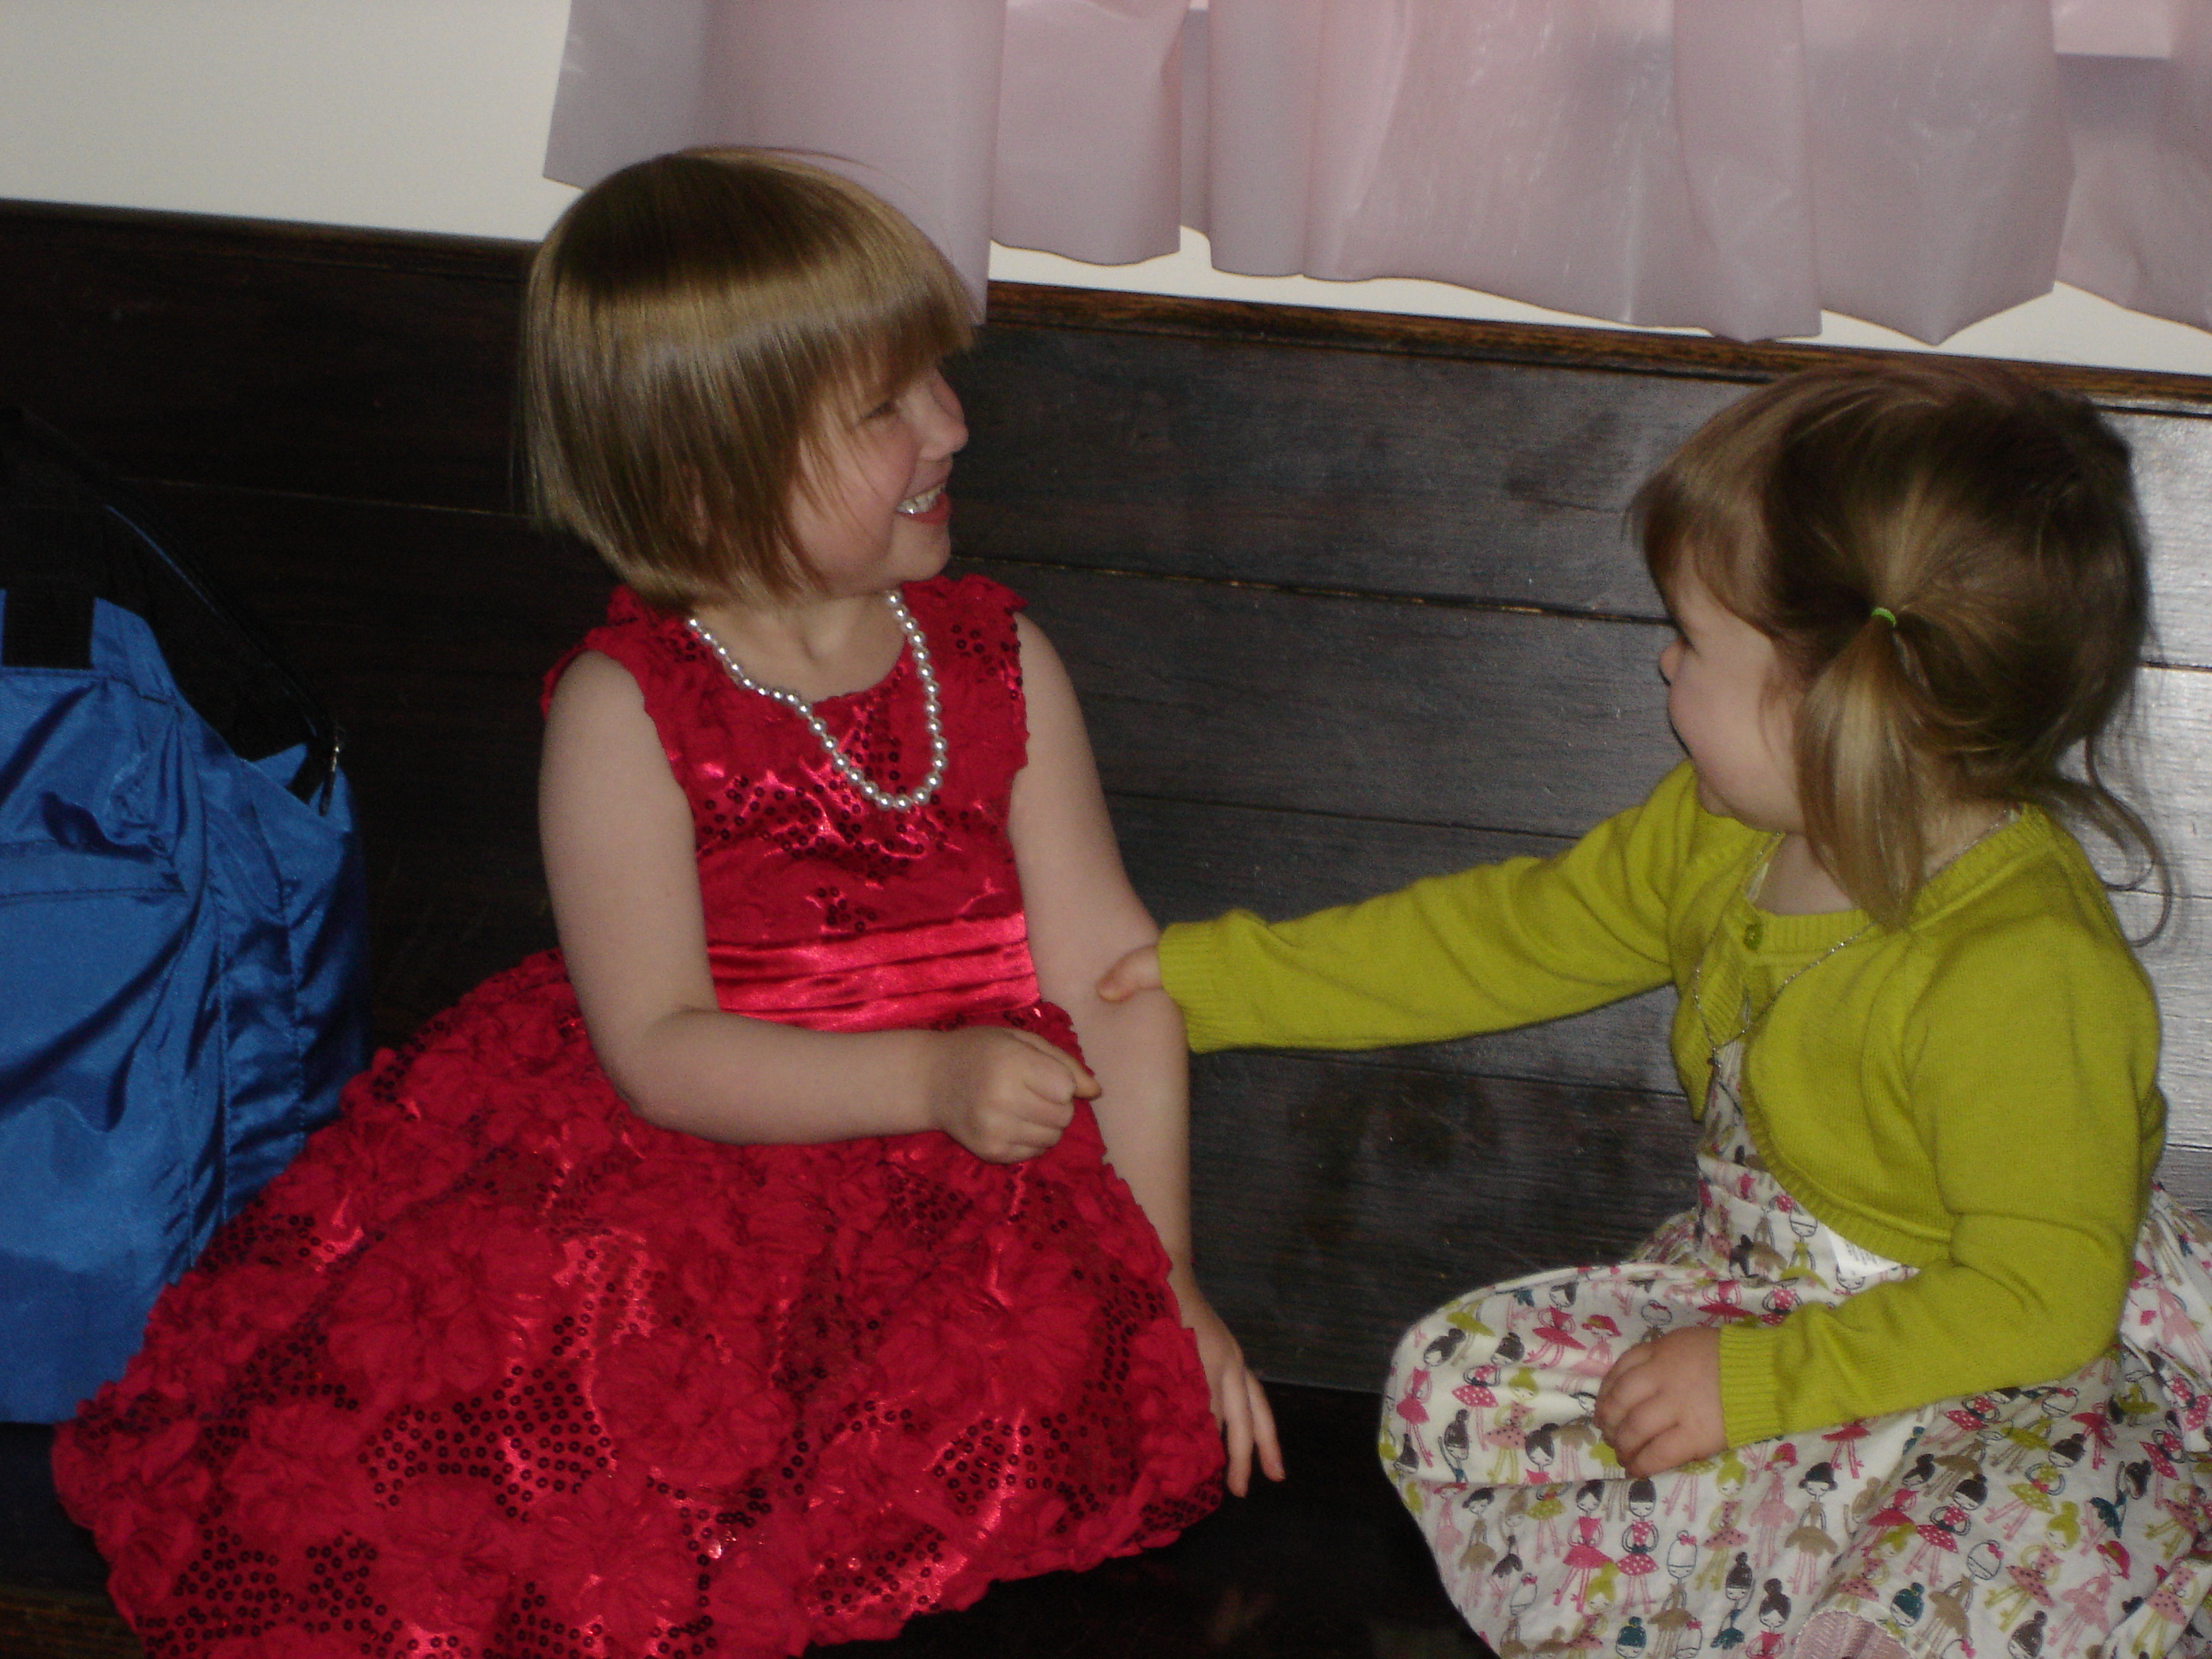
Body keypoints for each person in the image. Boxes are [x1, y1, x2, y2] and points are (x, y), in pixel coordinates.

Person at [54, 148, 1280, 1659]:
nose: (952, 424)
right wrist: (927, 1077)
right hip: (707, 1174)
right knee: (554, 1459)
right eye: (885, 407)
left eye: (938, 379)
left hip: (980, 1224)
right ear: (707, 474)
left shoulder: (995, 661)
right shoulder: (629, 706)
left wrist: (1165, 1282)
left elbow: (1115, 976)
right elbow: (656, 1046)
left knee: (996, 1428)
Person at [1099, 360, 2212, 1656]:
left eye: (1692, 636)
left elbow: (2038, 1301)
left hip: (1993, 1374)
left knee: (1946, 1592)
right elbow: (1509, 938)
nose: (1665, 661)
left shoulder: (2023, 966)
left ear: (1838, 698)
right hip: (1760, 1311)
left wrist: (1758, 1383)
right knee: (1457, 1385)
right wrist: (1209, 984)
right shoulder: (1719, 836)